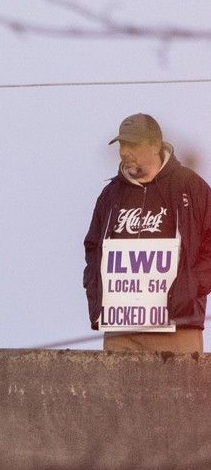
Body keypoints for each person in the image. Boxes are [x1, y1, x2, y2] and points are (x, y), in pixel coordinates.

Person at [83, 114, 211, 352]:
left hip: (178, 326)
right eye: (122, 144)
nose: (124, 152)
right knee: (116, 390)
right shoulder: (110, 195)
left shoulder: (191, 187)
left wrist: (192, 285)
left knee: (177, 391)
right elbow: (93, 248)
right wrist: (95, 295)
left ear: (155, 145)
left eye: (133, 144)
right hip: (122, 329)